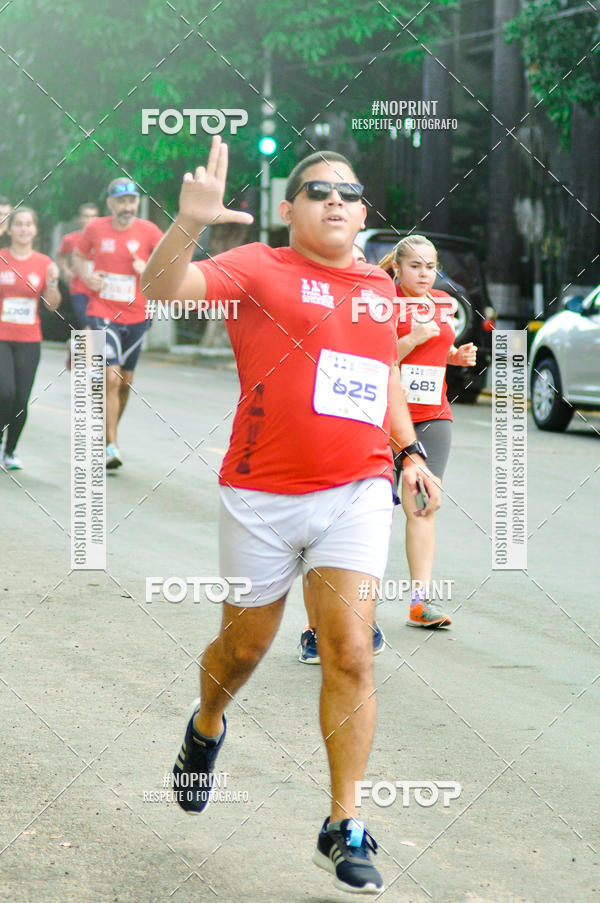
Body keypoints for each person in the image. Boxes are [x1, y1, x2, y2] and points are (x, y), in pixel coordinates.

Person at [142, 136, 441, 895]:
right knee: (243, 651)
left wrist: (409, 453)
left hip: (357, 491)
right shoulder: (258, 267)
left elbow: (382, 380)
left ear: (363, 210)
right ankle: (206, 724)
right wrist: (189, 225)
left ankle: (343, 822)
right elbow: (164, 289)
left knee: (350, 649)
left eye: (348, 189)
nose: (335, 199)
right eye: (317, 190)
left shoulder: (379, 287)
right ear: (287, 209)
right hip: (262, 496)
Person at [380, 235, 477, 628]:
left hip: (433, 415)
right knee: (371, 511)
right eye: (416, 266)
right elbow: (375, 357)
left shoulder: (441, 302)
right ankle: (347, 605)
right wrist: (413, 338)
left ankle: (420, 602)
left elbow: (436, 350)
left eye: (430, 266)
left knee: (422, 503)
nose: (424, 274)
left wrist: (455, 357)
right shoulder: (383, 302)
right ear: (399, 268)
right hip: (386, 417)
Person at [298, 241, 384, 664]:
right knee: (313, 550)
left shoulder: (378, 307)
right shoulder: (312, 307)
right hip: (312, 450)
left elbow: (393, 369)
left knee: (362, 542)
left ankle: (359, 617)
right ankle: (314, 630)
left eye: (361, 260)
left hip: (368, 452)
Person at [73, 178, 162, 469]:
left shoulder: (149, 232)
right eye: (121, 201)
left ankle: (109, 434)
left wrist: (147, 269)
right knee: (110, 377)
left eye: (131, 200)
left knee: (125, 383)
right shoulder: (95, 228)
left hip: (138, 314)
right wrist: (87, 277)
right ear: (110, 203)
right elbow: (78, 254)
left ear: (137, 202)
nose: (127, 206)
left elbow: (169, 267)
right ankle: (110, 445)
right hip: (103, 310)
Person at [0, 207, 61, 469]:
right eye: (19, 224)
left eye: (29, 224)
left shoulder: (44, 263)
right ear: (10, 229)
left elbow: (51, 305)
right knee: (5, 391)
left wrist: (54, 284)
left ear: (35, 230)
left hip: (29, 338)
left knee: (21, 399)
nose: (24, 229)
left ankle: (10, 451)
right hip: (2, 336)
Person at [57, 202, 100, 328]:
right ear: (80, 219)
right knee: (85, 322)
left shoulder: (103, 239)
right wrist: (65, 270)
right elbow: (60, 254)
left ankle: (78, 346)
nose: (89, 220)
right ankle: (86, 346)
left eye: (93, 216)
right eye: (86, 216)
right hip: (79, 288)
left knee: (96, 324)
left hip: (99, 289)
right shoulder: (70, 239)